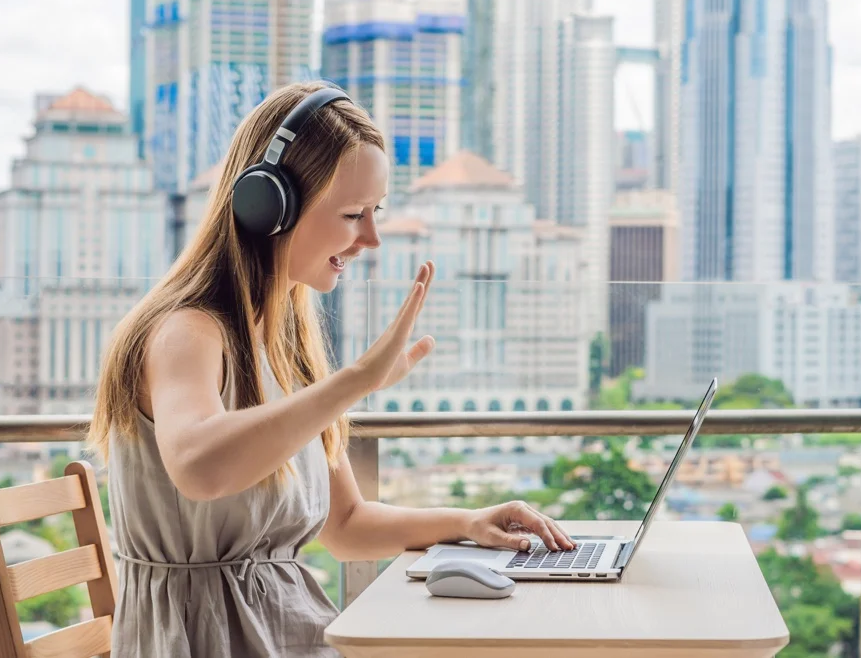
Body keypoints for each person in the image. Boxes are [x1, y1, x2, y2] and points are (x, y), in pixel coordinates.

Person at [87, 81, 575, 657]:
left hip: (293, 635)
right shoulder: (185, 331)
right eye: (351, 213)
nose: (370, 238)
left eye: (375, 213)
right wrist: (355, 382)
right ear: (267, 205)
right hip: (202, 642)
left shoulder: (284, 348)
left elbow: (345, 525)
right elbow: (199, 467)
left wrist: (469, 523)